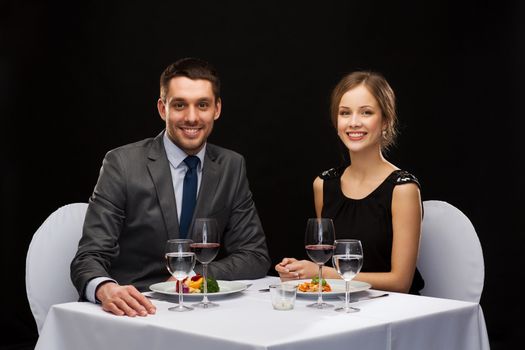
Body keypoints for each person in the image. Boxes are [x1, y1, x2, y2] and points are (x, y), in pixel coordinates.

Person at [71, 57, 271, 317]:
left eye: (202, 105)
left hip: (206, 310)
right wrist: (105, 288)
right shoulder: (121, 163)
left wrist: (192, 276)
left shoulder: (231, 166)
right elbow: (88, 257)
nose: (191, 117)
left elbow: (254, 256)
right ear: (162, 109)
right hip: (136, 310)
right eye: (179, 105)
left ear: (217, 109)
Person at [275, 71, 424, 294]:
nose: (354, 122)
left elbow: (400, 282)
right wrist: (296, 271)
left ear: (385, 120)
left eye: (366, 112)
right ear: (337, 122)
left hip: (392, 310)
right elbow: (325, 262)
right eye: (345, 113)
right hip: (340, 306)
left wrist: (321, 273)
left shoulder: (403, 189)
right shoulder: (323, 185)